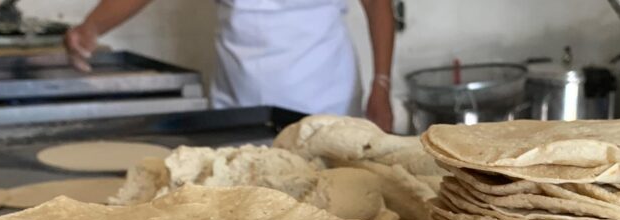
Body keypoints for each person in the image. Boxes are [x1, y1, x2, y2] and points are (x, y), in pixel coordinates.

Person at [65, 0, 394, 131]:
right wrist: (90, 28)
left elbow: (379, 6)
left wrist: (381, 83)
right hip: (238, 95)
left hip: (323, 93)